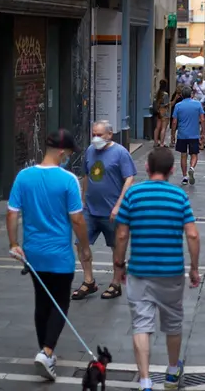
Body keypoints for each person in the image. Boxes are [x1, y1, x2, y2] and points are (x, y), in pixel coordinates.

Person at [6, 129, 95, 382]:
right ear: (61, 152)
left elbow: (12, 213)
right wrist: (85, 247)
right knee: (60, 302)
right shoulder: (68, 180)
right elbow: (77, 219)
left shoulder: (23, 176)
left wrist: (14, 243)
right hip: (59, 254)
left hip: (33, 253)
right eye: (68, 153)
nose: (68, 157)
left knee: (42, 301)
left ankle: (45, 352)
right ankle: (46, 352)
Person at [112, 147, 201, 391]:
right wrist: (194, 268)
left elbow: (122, 234)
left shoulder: (133, 194)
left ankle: (145, 380)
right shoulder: (178, 196)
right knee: (173, 323)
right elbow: (192, 234)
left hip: (139, 270)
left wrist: (119, 265)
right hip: (171, 271)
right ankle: (172, 373)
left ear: (147, 167)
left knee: (141, 324)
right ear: (172, 170)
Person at [69, 120, 137, 301]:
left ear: (109, 135)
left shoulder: (120, 153)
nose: (95, 138)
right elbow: (86, 175)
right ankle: (88, 281)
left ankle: (116, 283)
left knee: (117, 248)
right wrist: (83, 200)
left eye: (99, 135)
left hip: (112, 210)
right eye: (94, 134)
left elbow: (129, 178)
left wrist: (119, 205)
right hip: (90, 209)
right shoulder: (90, 151)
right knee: (81, 243)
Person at [172, 86, 205, 186]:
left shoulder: (178, 106)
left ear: (182, 95)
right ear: (191, 94)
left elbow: (174, 122)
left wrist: (173, 134)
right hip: (194, 134)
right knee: (194, 154)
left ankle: (184, 177)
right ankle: (192, 168)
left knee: (183, 155)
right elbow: (202, 119)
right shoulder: (197, 104)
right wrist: (203, 132)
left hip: (182, 134)